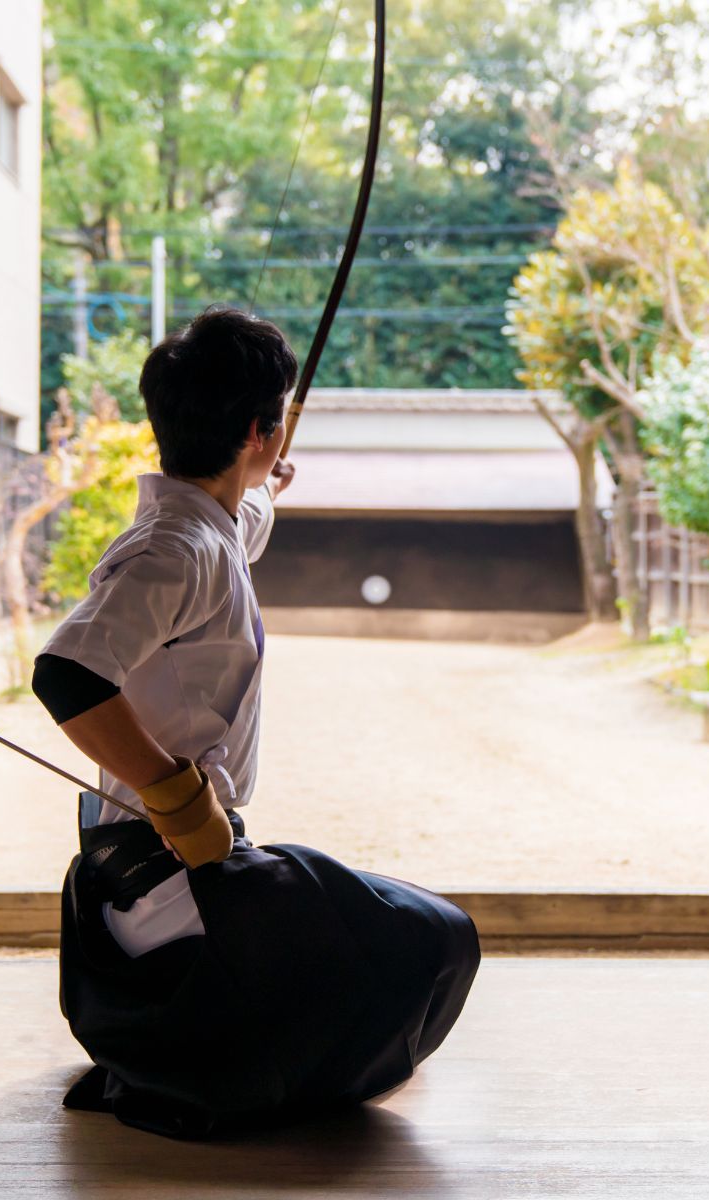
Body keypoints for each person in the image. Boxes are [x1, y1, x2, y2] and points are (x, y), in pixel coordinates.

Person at [32, 306, 480, 1139]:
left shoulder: (206, 527)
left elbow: (238, 526)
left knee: (396, 938)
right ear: (258, 432)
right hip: (162, 873)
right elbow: (66, 674)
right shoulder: (176, 547)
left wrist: (261, 473)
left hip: (179, 862)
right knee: (431, 942)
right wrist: (176, 799)